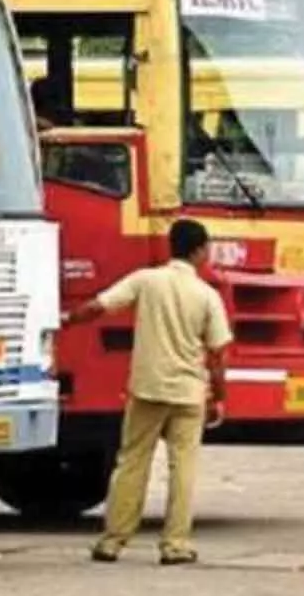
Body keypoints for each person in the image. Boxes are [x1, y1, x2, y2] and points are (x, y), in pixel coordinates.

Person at [61, 218, 232, 565]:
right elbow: (217, 352)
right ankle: (176, 544)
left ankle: (113, 541)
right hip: (187, 393)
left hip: (148, 389)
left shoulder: (146, 280)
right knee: (183, 468)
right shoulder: (207, 295)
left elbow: (98, 306)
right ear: (200, 251)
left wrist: (65, 320)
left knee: (132, 463)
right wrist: (219, 395)